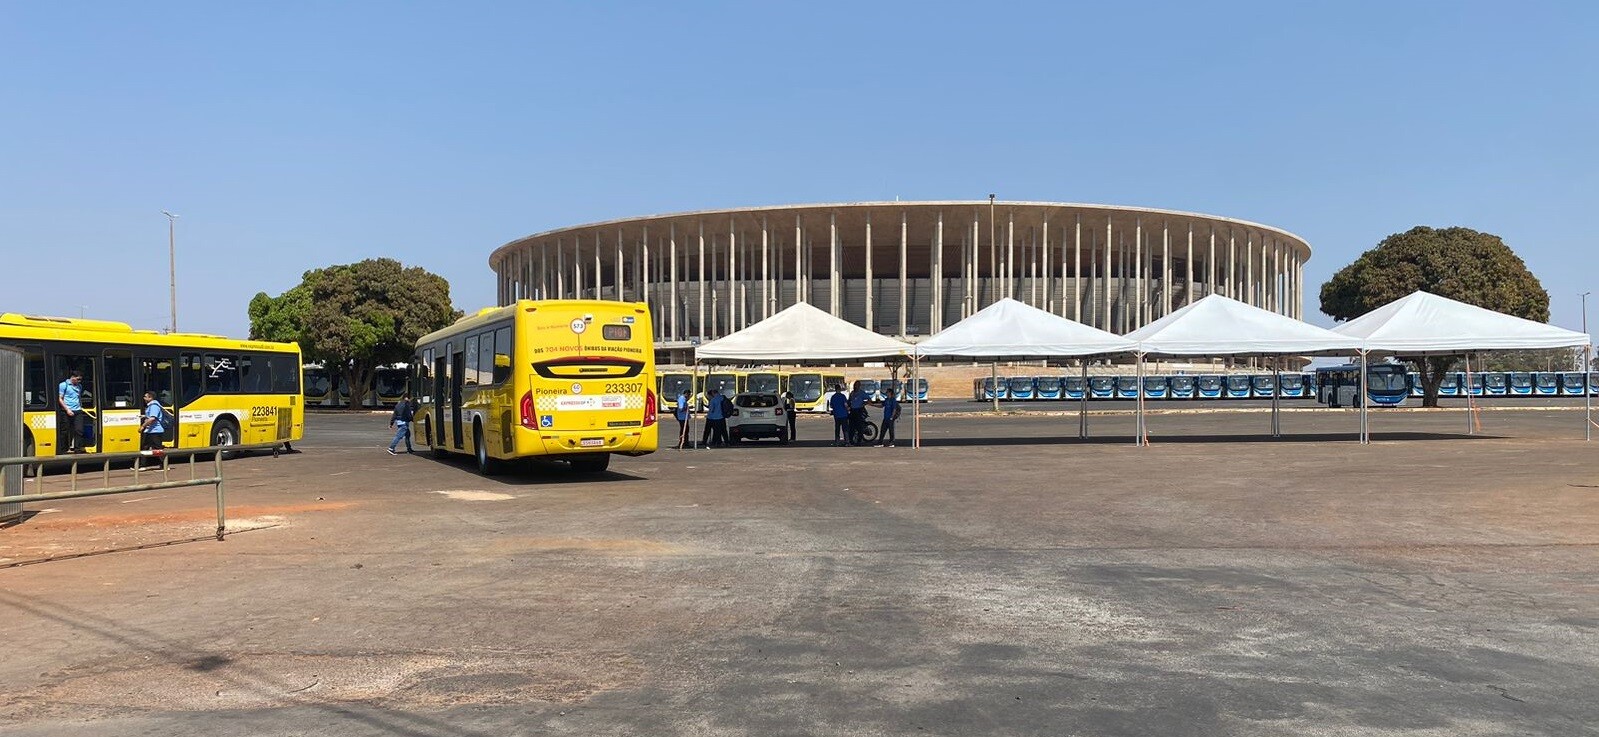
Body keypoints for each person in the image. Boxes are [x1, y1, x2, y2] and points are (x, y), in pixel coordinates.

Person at [57, 370, 86, 453]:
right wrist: (67, 409)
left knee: (79, 430)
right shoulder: (63, 385)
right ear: (72, 377)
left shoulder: (79, 386)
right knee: (65, 430)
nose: (79, 381)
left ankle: (77, 449)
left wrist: (80, 406)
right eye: (78, 379)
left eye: (80, 380)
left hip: (77, 410)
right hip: (66, 411)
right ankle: (63, 449)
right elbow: (60, 398)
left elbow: (78, 397)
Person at [138, 390, 166, 468]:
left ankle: (164, 465)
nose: (144, 398)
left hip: (155, 431)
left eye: (145, 396)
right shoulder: (151, 405)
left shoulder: (154, 406)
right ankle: (142, 465)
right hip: (150, 430)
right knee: (145, 447)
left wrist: (143, 426)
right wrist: (144, 416)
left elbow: (152, 418)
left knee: (158, 448)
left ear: (150, 397)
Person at [847, 380, 869, 446]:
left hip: (859, 410)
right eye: (855, 385)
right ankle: (851, 441)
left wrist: (864, 404)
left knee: (859, 427)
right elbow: (849, 400)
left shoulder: (862, 393)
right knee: (851, 427)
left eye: (857, 385)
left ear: (859, 386)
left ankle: (859, 441)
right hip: (852, 411)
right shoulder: (852, 393)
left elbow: (869, 399)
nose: (855, 386)